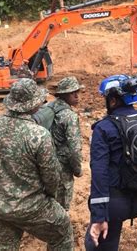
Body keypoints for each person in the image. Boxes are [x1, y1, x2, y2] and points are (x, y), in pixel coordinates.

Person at [0, 78, 74, 250]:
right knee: (62, 232)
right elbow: (51, 177)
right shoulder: (39, 135)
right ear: (33, 104)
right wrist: (50, 197)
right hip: (32, 207)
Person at [85, 74, 137, 251]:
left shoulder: (103, 128)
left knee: (94, 243)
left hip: (116, 205)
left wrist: (99, 217)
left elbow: (99, 174)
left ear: (114, 100)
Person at [49, 76, 84, 211]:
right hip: (62, 168)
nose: (76, 96)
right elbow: (74, 149)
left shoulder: (48, 108)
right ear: (63, 95)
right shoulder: (69, 116)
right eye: (72, 93)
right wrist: (77, 169)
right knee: (62, 208)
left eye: (77, 92)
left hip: (44, 163)